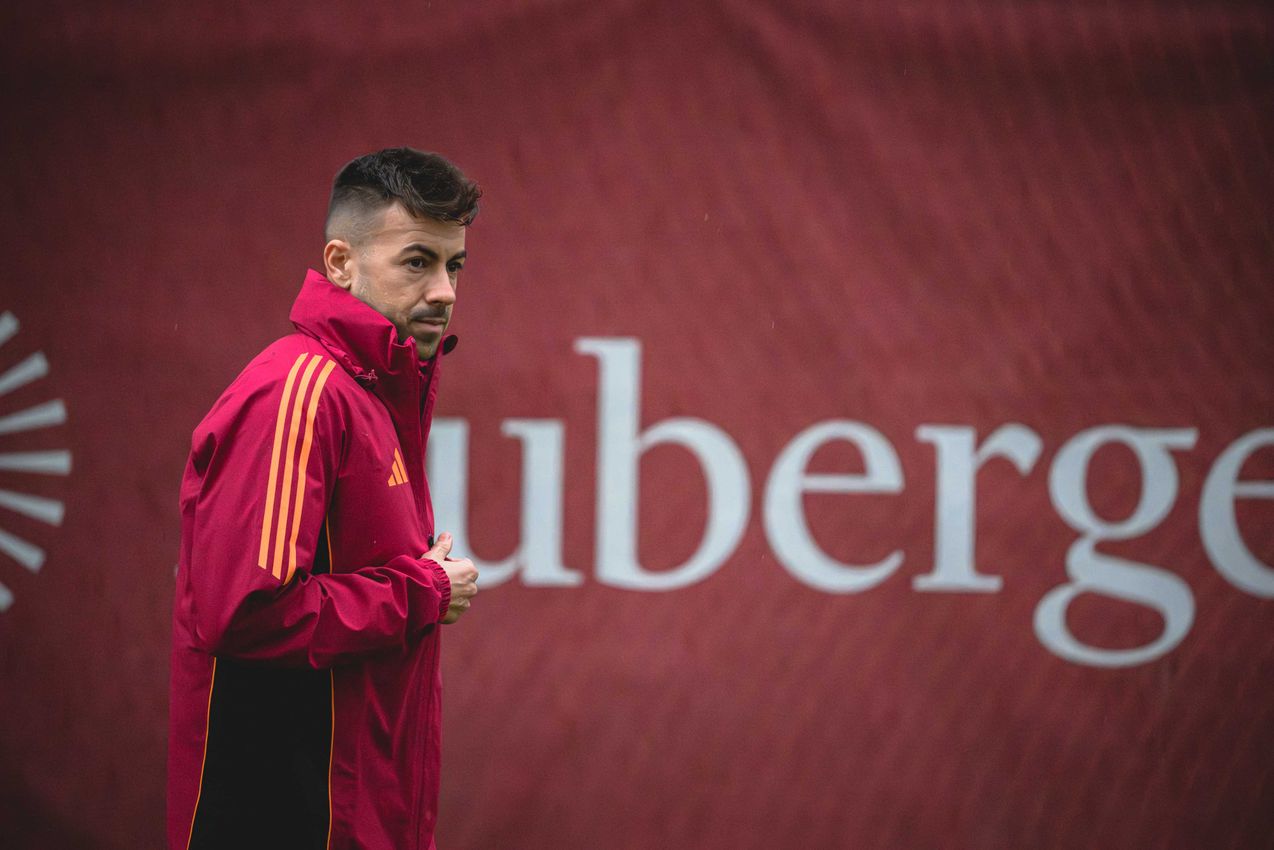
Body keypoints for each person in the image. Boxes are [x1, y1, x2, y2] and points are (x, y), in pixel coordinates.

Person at [168, 147, 481, 850]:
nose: (445, 291)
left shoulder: (372, 392)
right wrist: (422, 591)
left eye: (453, 265)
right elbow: (245, 615)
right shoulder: (299, 394)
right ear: (341, 263)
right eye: (416, 261)